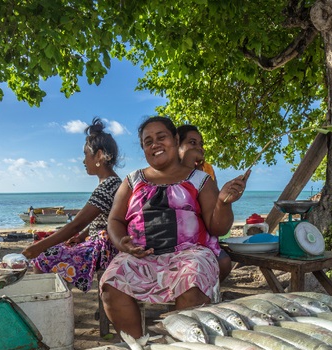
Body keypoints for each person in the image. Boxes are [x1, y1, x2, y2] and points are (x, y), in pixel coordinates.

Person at [100, 116, 249, 338]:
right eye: (148, 141)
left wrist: (223, 202)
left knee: (193, 278)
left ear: (176, 139)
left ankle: (182, 346)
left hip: (189, 254)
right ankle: (138, 347)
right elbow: (115, 220)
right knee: (111, 283)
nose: (155, 144)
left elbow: (218, 228)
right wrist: (122, 242)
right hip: (140, 256)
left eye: (161, 137)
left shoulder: (200, 179)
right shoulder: (132, 180)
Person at [21, 117, 122, 292]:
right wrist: (82, 237)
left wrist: (36, 248)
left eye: (85, 154)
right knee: (56, 247)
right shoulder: (112, 183)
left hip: (104, 250)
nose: (84, 161)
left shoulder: (108, 186)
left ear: (99, 155)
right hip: (99, 242)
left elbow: (77, 224)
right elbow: (99, 221)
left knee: (43, 258)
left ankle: (51, 305)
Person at [177, 124, 233, 282]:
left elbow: (215, 203)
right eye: (192, 143)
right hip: (179, 236)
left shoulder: (206, 171)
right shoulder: (168, 172)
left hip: (204, 231)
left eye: (201, 144)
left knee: (223, 262)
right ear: (176, 146)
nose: (199, 148)